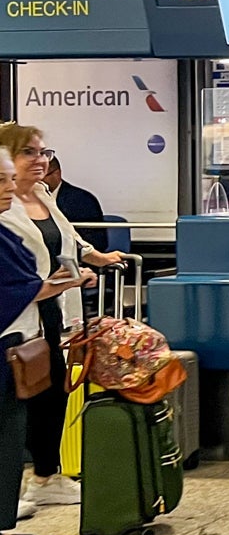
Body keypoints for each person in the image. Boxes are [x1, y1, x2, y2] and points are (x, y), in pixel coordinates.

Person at [0, 125, 123, 508]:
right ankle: (9, 489)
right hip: (17, 313)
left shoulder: (43, 195)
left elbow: (69, 238)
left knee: (50, 393)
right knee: (15, 401)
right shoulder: (7, 208)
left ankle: (45, 476)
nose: (41, 161)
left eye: (44, 152)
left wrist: (95, 259)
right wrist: (54, 284)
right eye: (29, 154)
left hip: (52, 311)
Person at [0, 145, 77, 535]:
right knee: (6, 433)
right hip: (5, 342)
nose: (10, 188)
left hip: (16, 338)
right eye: (1, 179)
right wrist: (60, 283)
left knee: (12, 430)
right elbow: (22, 287)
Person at [44, 157, 109, 254]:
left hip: (75, 259)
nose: (36, 181)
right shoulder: (27, 198)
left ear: (57, 173)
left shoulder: (83, 200)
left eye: (41, 175)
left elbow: (96, 242)